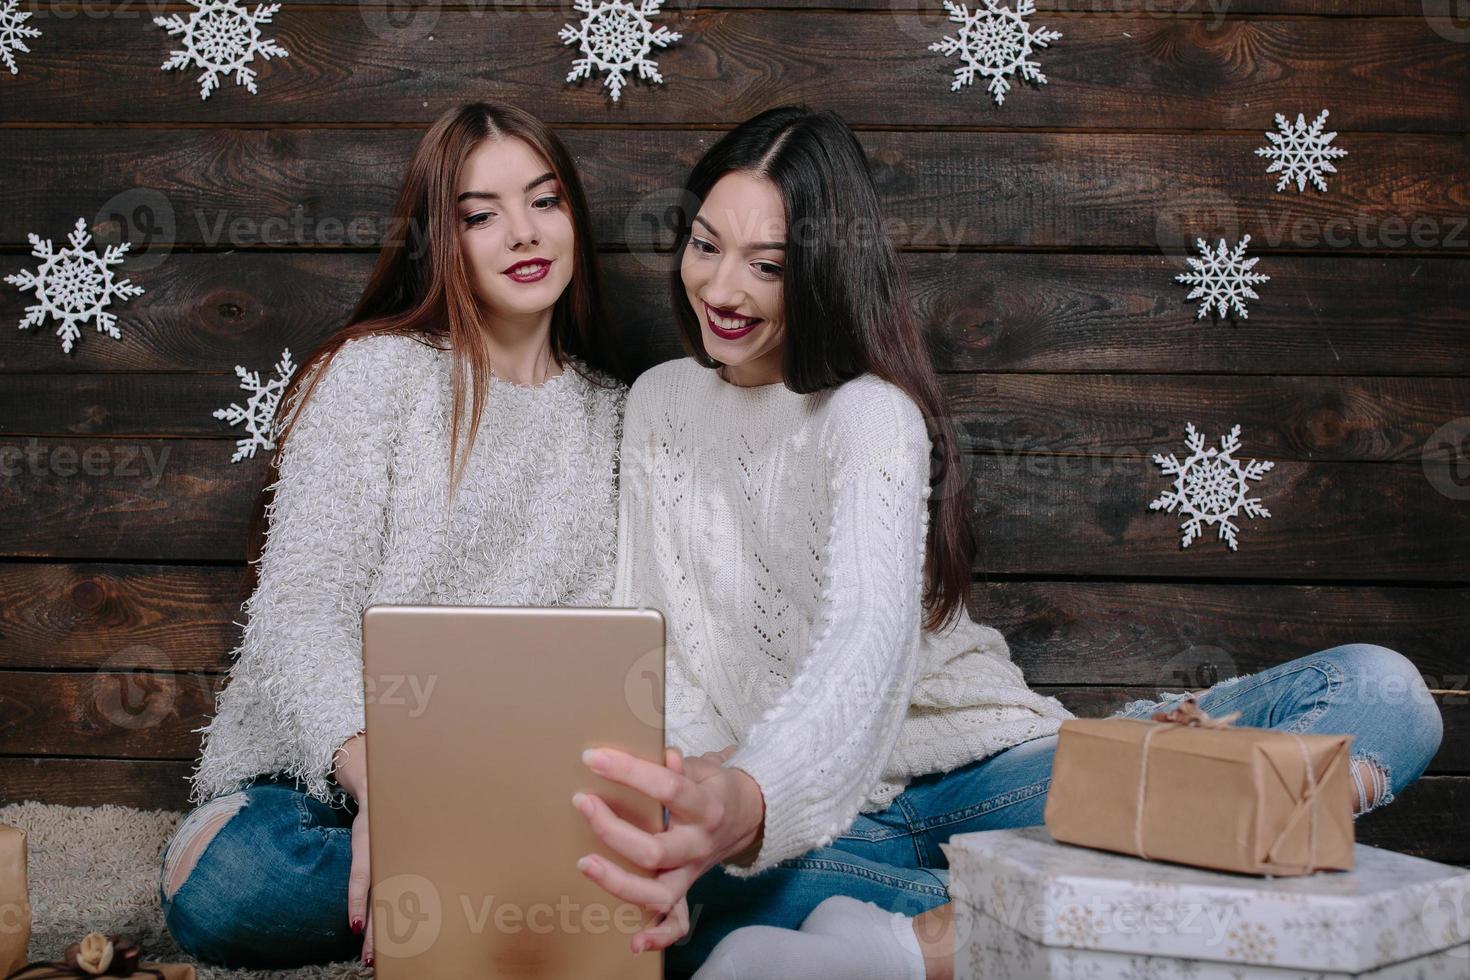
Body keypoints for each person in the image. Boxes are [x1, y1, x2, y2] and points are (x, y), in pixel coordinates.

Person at [565, 106, 1446, 980]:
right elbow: (659, 640)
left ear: (829, 272)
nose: (722, 289)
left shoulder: (871, 413)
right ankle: (1041, 907)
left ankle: (913, 945)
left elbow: (864, 645)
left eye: (769, 266)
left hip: (986, 777)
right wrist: (714, 794)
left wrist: (747, 793)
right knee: (669, 896)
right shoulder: (660, 405)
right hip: (806, 822)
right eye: (705, 245)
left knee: (1383, 693)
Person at [157, 101, 629, 970]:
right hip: (330, 785)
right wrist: (393, 789)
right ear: (441, 240)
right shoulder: (373, 373)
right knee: (229, 886)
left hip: (510, 786)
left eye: (545, 201)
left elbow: (602, 649)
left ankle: (487, 897)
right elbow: (300, 615)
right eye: (481, 216)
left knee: (691, 856)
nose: (522, 234)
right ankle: (527, 906)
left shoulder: (612, 415)